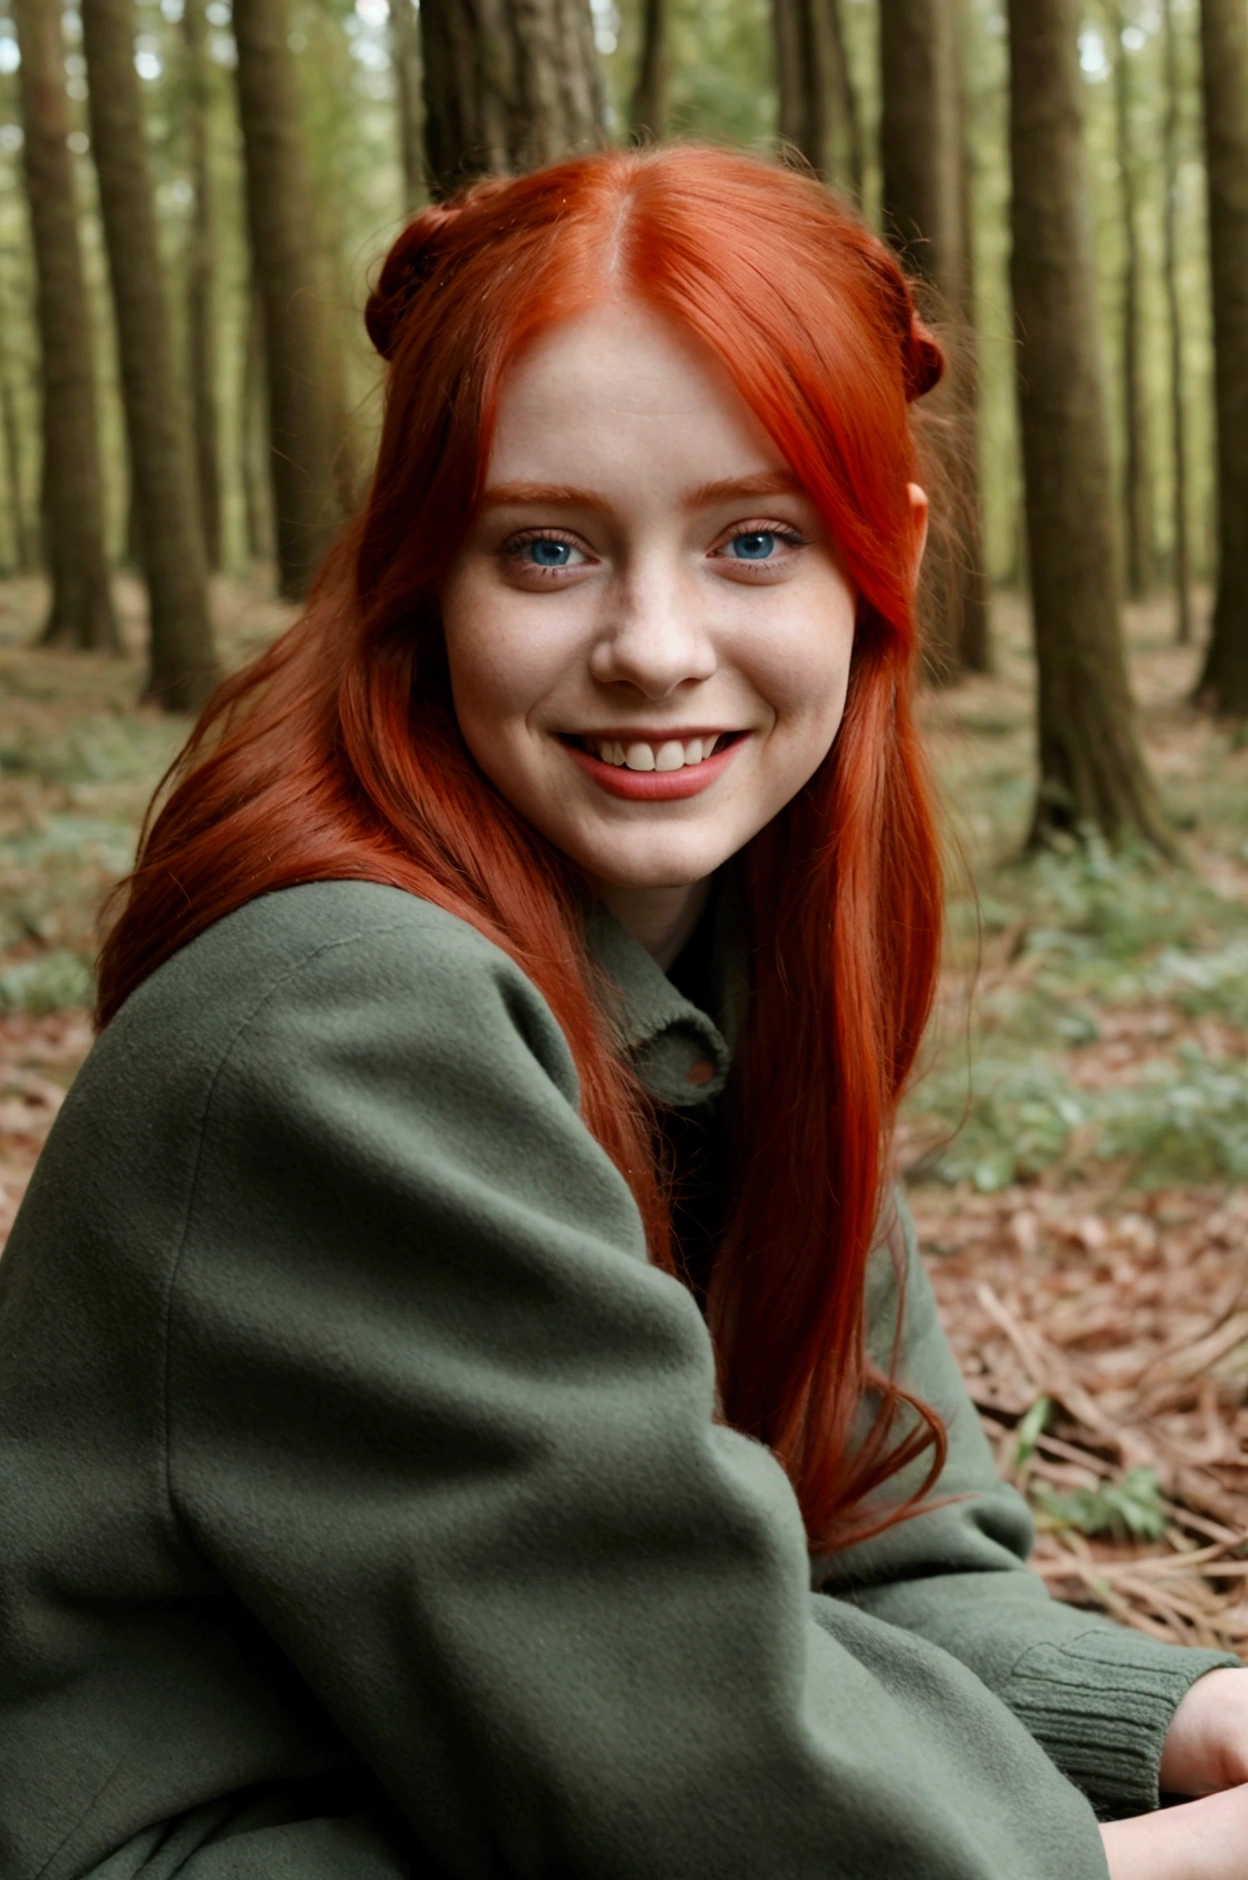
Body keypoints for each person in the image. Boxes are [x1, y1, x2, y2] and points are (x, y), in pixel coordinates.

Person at [0, 144, 1245, 1880]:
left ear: (883, 555)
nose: (655, 645)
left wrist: (1196, 1716)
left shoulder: (733, 966)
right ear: (423, 573)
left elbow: (879, 1559)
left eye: (752, 539)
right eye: (548, 550)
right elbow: (701, 1790)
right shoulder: (342, 1025)